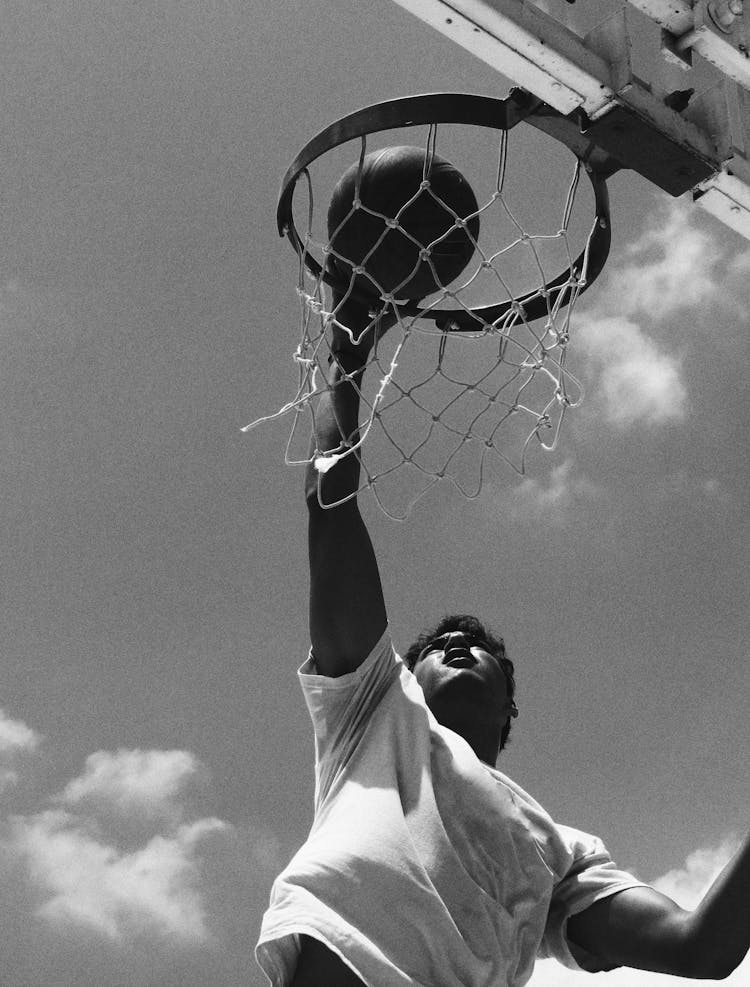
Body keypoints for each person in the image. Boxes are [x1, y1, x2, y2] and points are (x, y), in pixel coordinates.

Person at [256, 289, 750, 987]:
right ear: (407, 675)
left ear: (508, 707)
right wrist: (348, 356)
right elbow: (330, 511)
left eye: (478, 645)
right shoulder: (372, 713)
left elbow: (700, 948)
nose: (458, 644)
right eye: (435, 646)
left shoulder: (560, 851)